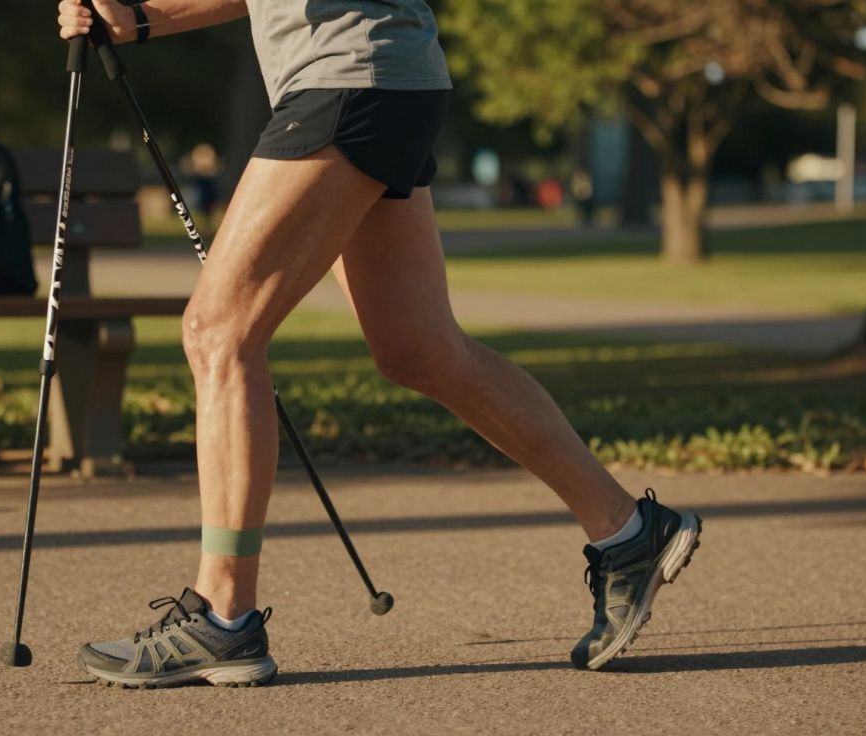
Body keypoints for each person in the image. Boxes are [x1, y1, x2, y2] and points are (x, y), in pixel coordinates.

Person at [57, 0, 703, 688]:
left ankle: (223, 613)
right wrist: (140, 17)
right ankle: (627, 531)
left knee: (218, 332)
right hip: (381, 79)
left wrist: (143, 14)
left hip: (347, 79)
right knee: (419, 349)